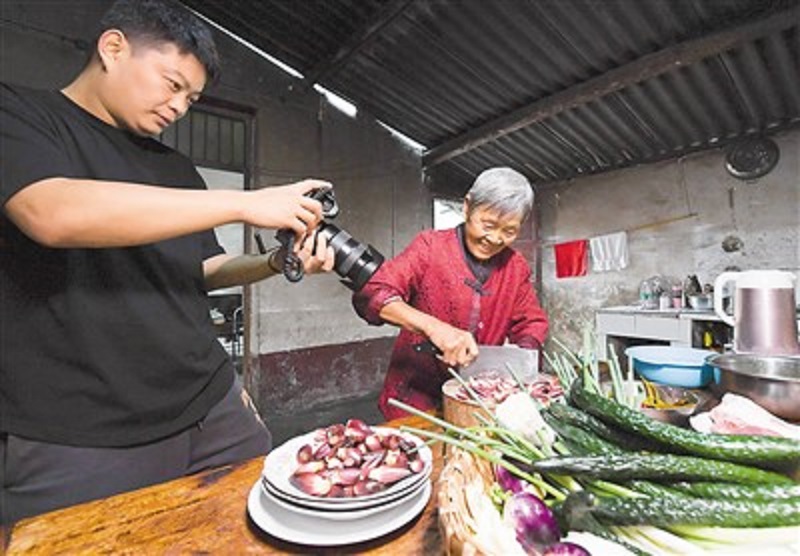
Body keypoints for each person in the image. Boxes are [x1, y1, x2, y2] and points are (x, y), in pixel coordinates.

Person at [0, 0, 336, 524]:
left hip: (209, 406)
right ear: (113, 48)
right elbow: (51, 213)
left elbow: (206, 267)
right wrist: (246, 202)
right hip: (81, 432)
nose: (180, 107)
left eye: (193, 97)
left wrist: (275, 261)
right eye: (172, 83)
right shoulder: (23, 116)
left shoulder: (176, 169)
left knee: (255, 526)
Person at [353, 167, 549, 419]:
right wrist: (434, 328)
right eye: (488, 225)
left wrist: (521, 362)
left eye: (509, 231)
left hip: (477, 403)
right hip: (414, 402)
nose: (496, 238)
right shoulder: (430, 247)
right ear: (467, 207)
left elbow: (531, 322)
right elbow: (373, 292)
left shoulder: (516, 267)